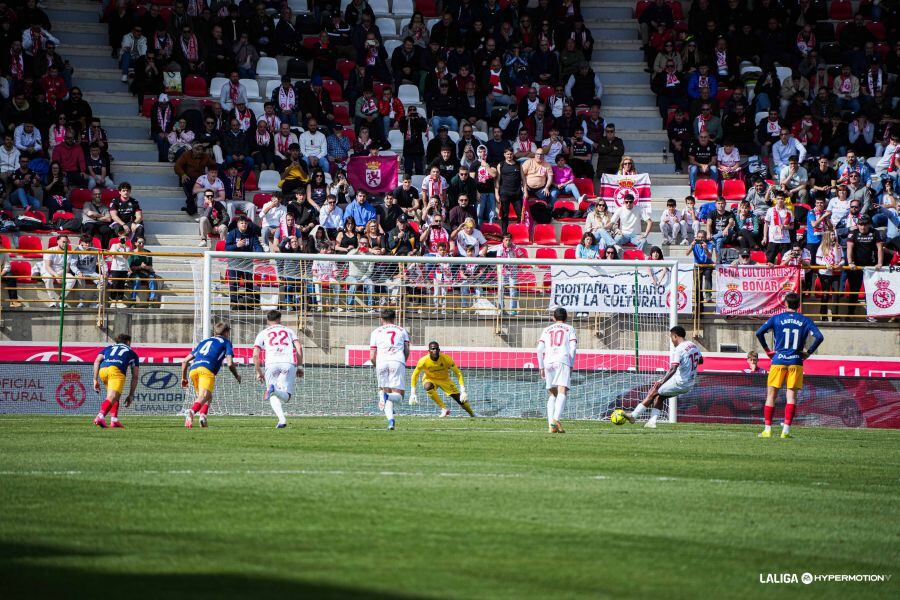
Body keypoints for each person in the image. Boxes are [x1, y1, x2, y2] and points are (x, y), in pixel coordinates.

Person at [755, 292, 824, 438]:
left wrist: (768, 351)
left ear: (785, 304)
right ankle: (785, 432)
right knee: (791, 397)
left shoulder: (777, 318)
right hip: (796, 361)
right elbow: (819, 337)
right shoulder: (805, 320)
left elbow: (759, 333)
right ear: (799, 305)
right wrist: (809, 352)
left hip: (778, 361)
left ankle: (767, 430)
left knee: (771, 395)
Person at [626, 326, 703, 429]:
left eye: (671, 337)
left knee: (654, 390)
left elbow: (673, 369)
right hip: (689, 384)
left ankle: (633, 416)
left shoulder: (679, 349)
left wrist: (662, 381)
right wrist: (688, 365)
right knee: (660, 396)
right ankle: (651, 422)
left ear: (675, 336)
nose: (671, 340)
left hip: (680, 382)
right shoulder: (693, 345)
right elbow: (701, 360)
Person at [180, 322, 242, 429]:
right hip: (206, 370)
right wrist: (236, 375)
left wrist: (184, 378)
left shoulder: (204, 341)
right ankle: (191, 412)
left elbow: (185, 361)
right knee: (204, 396)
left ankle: (203, 417)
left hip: (193, 370)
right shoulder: (226, 342)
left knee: (207, 396)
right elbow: (230, 363)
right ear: (226, 332)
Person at [253, 310, 304, 429]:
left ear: (267, 320)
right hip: (287, 362)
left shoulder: (263, 333)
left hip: (271, 364)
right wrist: (300, 366)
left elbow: (255, 355)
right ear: (280, 319)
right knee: (286, 397)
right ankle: (281, 419)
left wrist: (258, 372)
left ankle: (282, 420)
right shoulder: (289, 330)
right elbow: (299, 347)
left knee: (272, 393)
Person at [536, 307, 577, 434]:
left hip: (548, 361)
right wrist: (571, 364)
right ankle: (556, 419)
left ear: (553, 318)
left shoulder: (546, 329)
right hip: (562, 360)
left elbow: (539, 349)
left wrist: (541, 367)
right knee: (562, 391)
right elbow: (573, 348)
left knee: (552, 394)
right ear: (566, 318)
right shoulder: (570, 328)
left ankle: (551, 426)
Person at [369, 308, 410, 430]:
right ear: (394, 318)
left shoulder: (376, 332)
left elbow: (372, 356)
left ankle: (391, 422)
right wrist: (402, 362)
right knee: (399, 397)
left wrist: (376, 365)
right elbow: (406, 350)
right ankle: (386, 396)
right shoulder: (402, 330)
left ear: (381, 319)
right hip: (397, 361)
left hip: (381, 362)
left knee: (385, 392)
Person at [409, 341, 475, 418]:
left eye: (436, 349)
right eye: (433, 349)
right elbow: (415, 375)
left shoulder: (446, 359)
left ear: (439, 350)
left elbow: (458, 373)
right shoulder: (423, 361)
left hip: (445, 380)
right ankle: (443, 409)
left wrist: (463, 390)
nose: (435, 351)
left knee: (460, 399)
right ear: (429, 351)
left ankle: (472, 414)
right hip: (430, 379)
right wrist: (413, 393)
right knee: (427, 386)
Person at [91, 333, 140, 429]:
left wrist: (95, 379)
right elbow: (135, 376)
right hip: (116, 371)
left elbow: (97, 361)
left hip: (103, 371)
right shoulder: (132, 353)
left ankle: (114, 420)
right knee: (112, 396)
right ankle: (100, 417)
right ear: (128, 342)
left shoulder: (108, 348)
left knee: (115, 396)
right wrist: (131, 395)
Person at [41, 235, 75, 308]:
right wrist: (56, 275)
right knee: (48, 278)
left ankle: (61, 299)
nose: (65, 244)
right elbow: (47, 266)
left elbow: (67, 268)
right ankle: (52, 299)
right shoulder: (49, 251)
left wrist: (60, 275)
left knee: (72, 279)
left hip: (61, 271)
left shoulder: (68, 253)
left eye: (66, 242)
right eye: (63, 242)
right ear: (58, 241)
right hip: (48, 271)